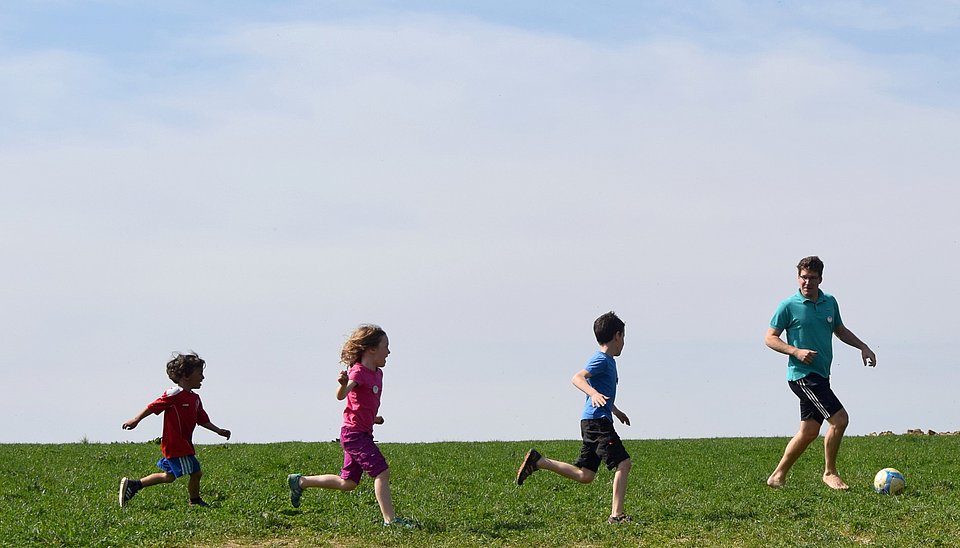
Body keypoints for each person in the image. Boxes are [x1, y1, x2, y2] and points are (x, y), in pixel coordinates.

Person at [287, 324, 415, 528]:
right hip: (354, 435)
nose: (389, 351)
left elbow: (361, 404)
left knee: (348, 483)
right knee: (381, 472)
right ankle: (390, 521)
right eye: (386, 346)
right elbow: (342, 396)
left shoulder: (377, 374)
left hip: (361, 431)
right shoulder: (357, 372)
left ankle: (300, 481)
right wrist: (342, 383)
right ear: (371, 349)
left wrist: (373, 418)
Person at [765, 256, 876, 490]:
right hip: (802, 375)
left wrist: (863, 347)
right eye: (803, 277)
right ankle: (830, 473)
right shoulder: (788, 305)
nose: (807, 282)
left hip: (821, 375)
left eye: (812, 278)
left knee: (809, 432)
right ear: (798, 278)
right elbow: (770, 338)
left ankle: (777, 476)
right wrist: (795, 351)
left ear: (820, 279)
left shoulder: (829, 302)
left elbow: (840, 330)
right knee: (840, 419)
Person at [516, 311, 633, 524]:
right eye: (623, 337)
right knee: (623, 463)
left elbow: (602, 392)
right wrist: (593, 393)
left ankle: (539, 461)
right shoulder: (601, 359)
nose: (624, 342)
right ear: (617, 335)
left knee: (585, 475)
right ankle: (616, 515)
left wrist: (615, 411)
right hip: (597, 422)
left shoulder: (609, 362)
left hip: (594, 420)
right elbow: (577, 378)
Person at [119, 352, 231, 507]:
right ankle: (195, 501)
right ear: (186, 375)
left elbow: (202, 420)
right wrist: (136, 419)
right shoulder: (174, 394)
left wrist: (219, 431)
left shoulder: (195, 398)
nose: (203, 378)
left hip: (184, 444)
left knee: (169, 477)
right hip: (176, 444)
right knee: (196, 472)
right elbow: (153, 406)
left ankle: (134, 485)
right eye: (200, 373)